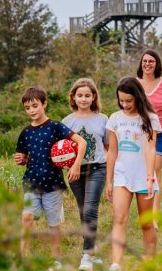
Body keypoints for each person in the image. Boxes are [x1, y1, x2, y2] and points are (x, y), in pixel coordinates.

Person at [14, 87, 87, 268]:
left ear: (44, 104)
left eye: (35, 105)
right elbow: (23, 156)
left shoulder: (55, 127)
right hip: (31, 182)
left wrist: (76, 164)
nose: (31, 110)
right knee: (27, 217)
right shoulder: (26, 132)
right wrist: (21, 159)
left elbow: (82, 142)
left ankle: (56, 260)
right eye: (27, 107)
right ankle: (24, 255)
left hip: (53, 184)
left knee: (53, 223)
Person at [105, 77, 161, 271]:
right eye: (122, 100)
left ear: (138, 97)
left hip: (144, 176)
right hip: (122, 175)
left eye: (129, 100)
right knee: (120, 219)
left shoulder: (150, 119)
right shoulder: (114, 118)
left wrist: (150, 177)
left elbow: (150, 149)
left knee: (146, 223)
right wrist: (109, 180)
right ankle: (116, 263)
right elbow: (112, 151)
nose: (125, 104)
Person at [62, 78, 108, 271]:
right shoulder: (66, 121)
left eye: (87, 95)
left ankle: (86, 255)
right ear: (73, 97)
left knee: (90, 209)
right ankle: (92, 245)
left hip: (98, 168)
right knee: (83, 211)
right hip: (75, 171)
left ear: (94, 97)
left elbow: (108, 146)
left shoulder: (103, 119)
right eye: (79, 95)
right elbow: (61, 150)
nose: (83, 99)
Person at [136, 49, 162, 230]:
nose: (147, 64)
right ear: (141, 64)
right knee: (143, 172)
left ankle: (154, 217)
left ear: (156, 64)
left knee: (155, 171)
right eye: (145, 61)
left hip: (161, 133)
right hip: (140, 133)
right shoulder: (135, 83)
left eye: (151, 61)